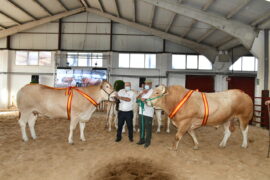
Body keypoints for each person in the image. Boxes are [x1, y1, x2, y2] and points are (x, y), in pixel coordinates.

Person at [137, 80, 154, 148]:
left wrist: (144, 99)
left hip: (149, 113)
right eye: (146, 83)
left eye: (148, 84)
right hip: (141, 112)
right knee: (141, 127)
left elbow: (152, 100)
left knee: (148, 128)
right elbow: (137, 99)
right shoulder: (142, 91)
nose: (146, 85)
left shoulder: (153, 92)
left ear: (151, 84)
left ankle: (148, 141)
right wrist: (141, 94)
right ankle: (142, 139)